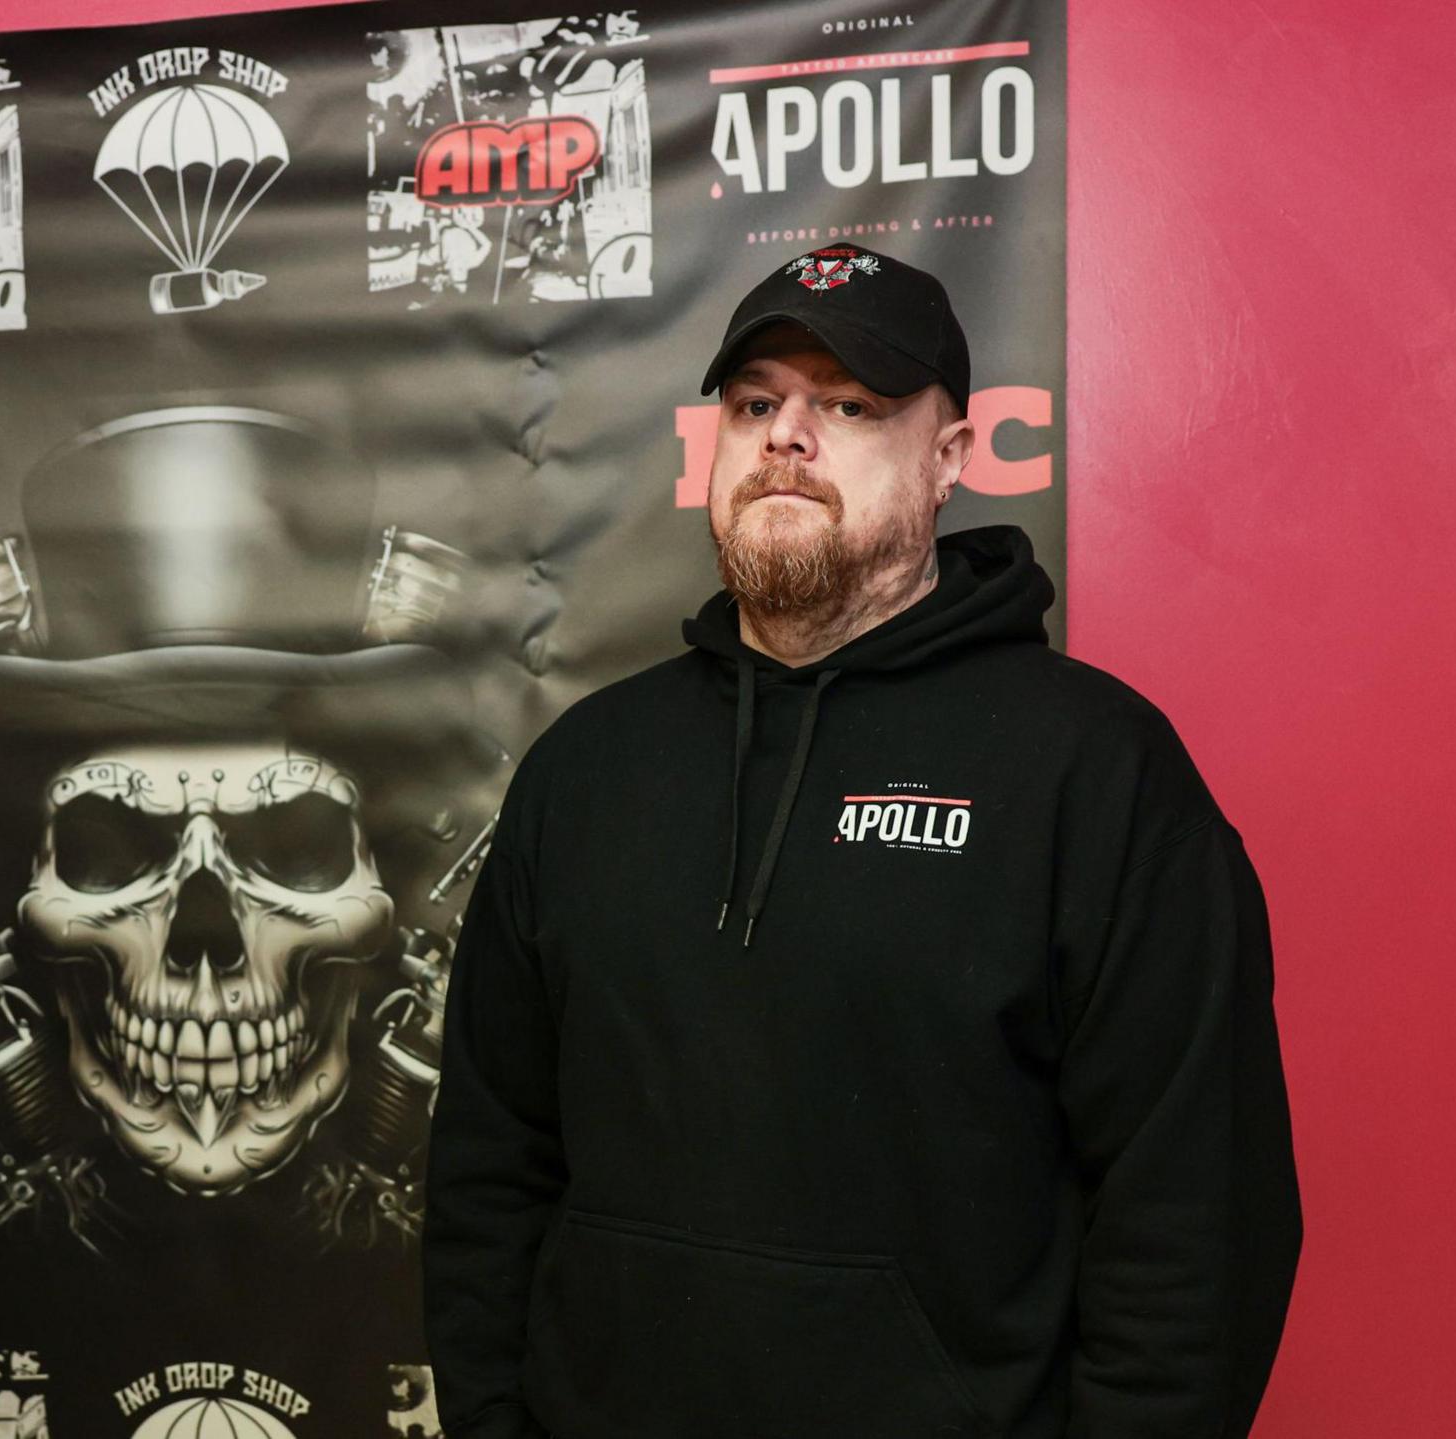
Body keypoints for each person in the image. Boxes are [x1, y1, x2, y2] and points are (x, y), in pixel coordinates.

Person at [422, 244, 1300, 1438]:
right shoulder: (586, 768)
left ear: (948, 459)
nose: (788, 436)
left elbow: (1197, 1218)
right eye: (753, 405)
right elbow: (491, 1168)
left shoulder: (1094, 770)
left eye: (849, 404)